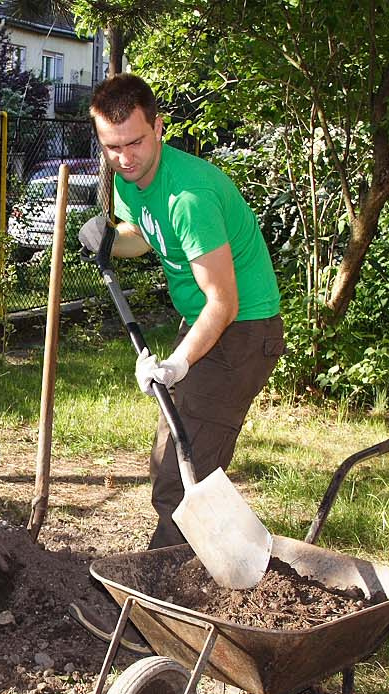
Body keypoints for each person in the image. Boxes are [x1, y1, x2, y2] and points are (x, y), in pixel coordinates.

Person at [79, 73, 284, 551]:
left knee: (183, 475)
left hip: (242, 331)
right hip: (207, 325)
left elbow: (224, 302)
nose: (125, 158)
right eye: (112, 148)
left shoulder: (190, 196)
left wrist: (178, 363)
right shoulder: (130, 181)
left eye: (136, 142)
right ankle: (217, 562)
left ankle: (164, 592)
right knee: (170, 456)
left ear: (159, 128)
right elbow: (148, 234)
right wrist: (112, 240)